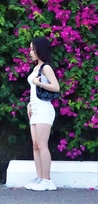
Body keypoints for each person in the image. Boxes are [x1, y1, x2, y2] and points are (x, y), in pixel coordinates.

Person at [24, 36, 61, 191]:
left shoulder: (46, 68)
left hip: (44, 109)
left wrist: (39, 83)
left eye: (33, 49)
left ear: (40, 49)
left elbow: (56, 87)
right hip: (35, 108)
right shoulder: (35, 69)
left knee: (42, 145)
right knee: (35, 145)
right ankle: (39, 178)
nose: (30, 52)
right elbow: (33, 91)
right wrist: (29, 104)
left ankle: (47, 180)